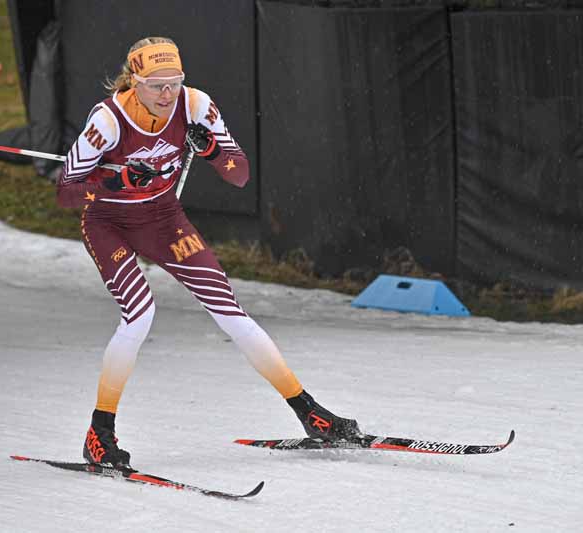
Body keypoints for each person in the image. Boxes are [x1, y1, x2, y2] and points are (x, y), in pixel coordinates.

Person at [56, 36, 361, 469]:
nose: (166, 94)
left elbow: (239, 175)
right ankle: (99, 433)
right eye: (155, 85)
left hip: (163, 219)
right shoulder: (108, 120)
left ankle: (310, 413)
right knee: (140, 315)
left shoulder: (195, 105)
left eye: (174, 83)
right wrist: (117, 182)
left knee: (231, 310)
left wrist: (212, 150)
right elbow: (66, 193)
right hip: (110, 223)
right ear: (133, 82)